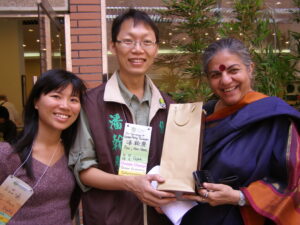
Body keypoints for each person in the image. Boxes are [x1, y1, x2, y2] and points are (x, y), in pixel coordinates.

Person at [69, 9, 175, 225]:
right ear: (113, 46)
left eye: (147, 42)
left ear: (156, 49)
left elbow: (176, 168)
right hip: (111, 218)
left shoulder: (169, 105)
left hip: (160, 218)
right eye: (128, 41)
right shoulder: (91, 103)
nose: (138, 50)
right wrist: (131, 184)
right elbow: (84, 170)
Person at [181, 38, 300, 225]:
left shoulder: (274, 117)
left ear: (250, 69)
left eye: (233, 70)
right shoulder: (200, 117)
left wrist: (239, 196)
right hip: (195, 217)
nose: (226, 80)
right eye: (215, 75)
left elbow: (293, 182)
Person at [0, 69, 86, 225]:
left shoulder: (74, 153)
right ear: (36, 102)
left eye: (73, 99)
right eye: (56, 96)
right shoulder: (7, 154)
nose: (65, 106)